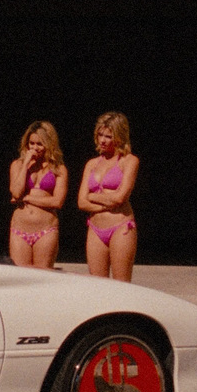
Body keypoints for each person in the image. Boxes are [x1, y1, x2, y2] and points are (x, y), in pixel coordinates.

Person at [77, 112, 139, 281]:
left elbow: (120, 198)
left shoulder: (129, 161)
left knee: (122, 285)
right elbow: (81, 202)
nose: (102, 140)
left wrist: (93, 196)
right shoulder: (91, 164)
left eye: (108, 136)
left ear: (119, 137)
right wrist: (106, 204)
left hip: (120, 226)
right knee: (98, 286)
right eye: (100, 135)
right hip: (95, 229)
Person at [7, 121, 68, 268]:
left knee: (43, 276)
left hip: (46, 229)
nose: (34, 148)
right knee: (20, 277)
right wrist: (26, 164)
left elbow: (57, 202)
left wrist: (26, 198)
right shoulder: (17, 165)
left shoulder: (59, 169)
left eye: (39, 144)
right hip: (20, 229)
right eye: (31, 143)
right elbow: (15, 192)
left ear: (49, 144)